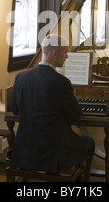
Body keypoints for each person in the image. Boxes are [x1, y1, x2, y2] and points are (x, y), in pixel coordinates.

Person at [10, 34, 95, 181]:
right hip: (54, 153)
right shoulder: (61, 82)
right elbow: (75, 116)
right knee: (89, 143)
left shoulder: (20, 77)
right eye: (65, 52)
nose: (67, 56)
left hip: (25, 150)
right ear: (55, 54)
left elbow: (15, 109)